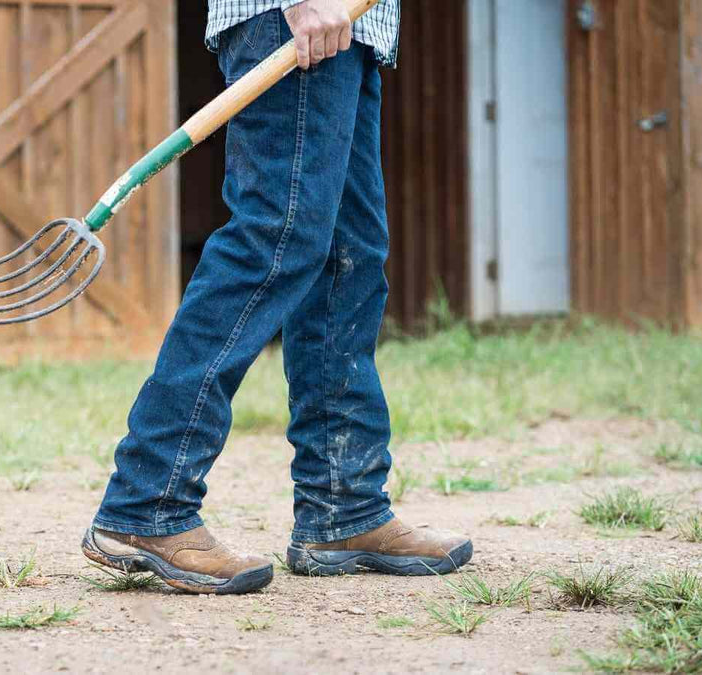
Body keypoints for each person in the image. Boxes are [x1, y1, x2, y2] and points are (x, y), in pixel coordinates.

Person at [82, 0, 472, 594]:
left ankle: (343, 508)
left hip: (354, 29)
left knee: (349, 259)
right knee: (272, 240)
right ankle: (147, 503)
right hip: (302, 17)